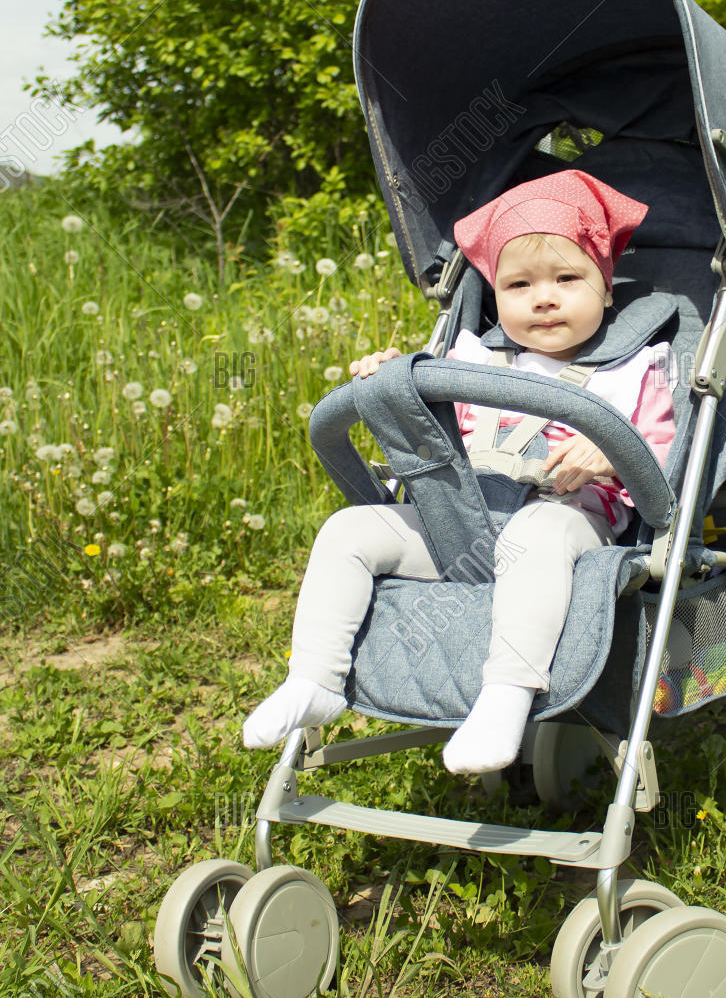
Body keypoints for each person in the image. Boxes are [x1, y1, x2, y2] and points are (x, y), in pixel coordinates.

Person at [242, 169, 678, 774]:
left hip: (568, 520)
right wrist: (393, 376)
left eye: (567, 279)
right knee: (349, 530)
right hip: (460, 521)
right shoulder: (472, 357)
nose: (543, 298)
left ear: (606, 291)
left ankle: (506, 694)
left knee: (537, 535)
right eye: (519, 284)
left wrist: (612, 453)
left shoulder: (633, 370)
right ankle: (315, 676)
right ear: (496, 295)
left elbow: (665, 457)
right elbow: (426, 421)